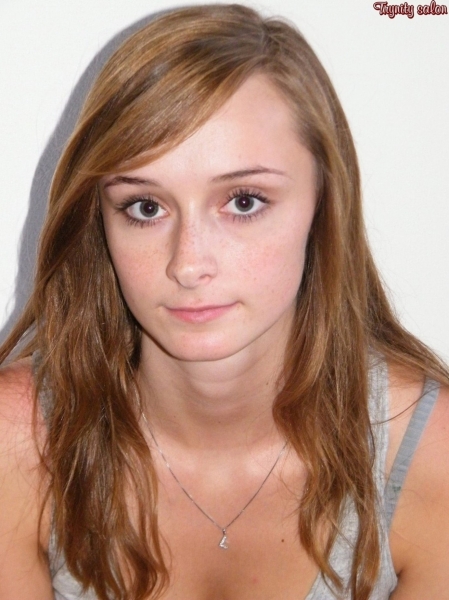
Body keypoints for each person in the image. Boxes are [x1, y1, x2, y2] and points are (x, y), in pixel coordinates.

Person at [0, 4, 448, 599]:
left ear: (323, 203)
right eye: (145, 207)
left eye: (243, 202)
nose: (188, 264)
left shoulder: (428, 456)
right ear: (99, 221)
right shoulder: (18, 441)